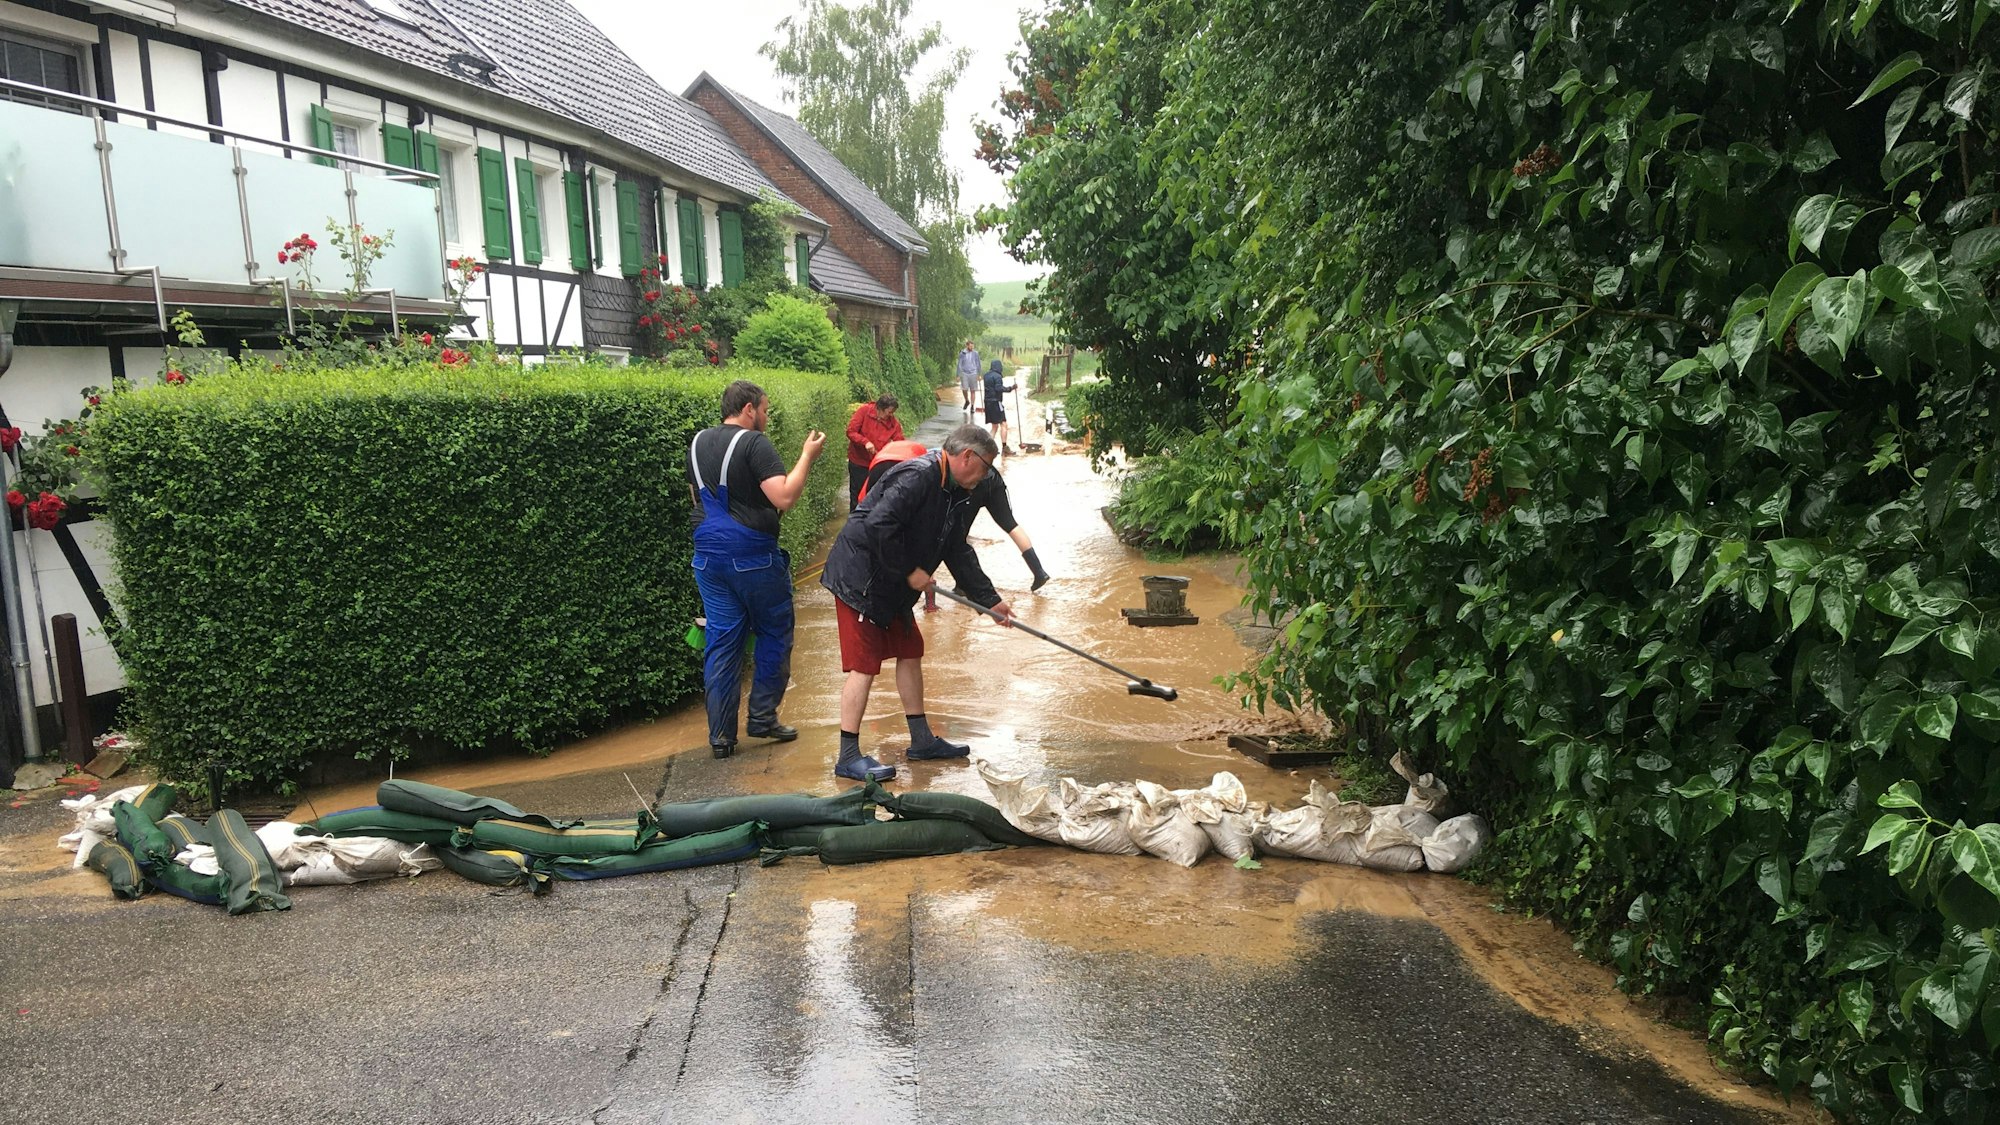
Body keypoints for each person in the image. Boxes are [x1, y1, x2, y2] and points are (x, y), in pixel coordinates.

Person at [820, 425, 1013, 782]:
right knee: (864, 665)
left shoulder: (955, 491)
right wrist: (910, 571)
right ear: (967, 456)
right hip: (861, 580)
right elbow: (878, 524)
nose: (986, 476)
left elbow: (957, 549)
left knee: (910, 650)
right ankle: (847, 756)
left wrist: (990, 601)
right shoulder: (918, 476)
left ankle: (922, 740)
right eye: (986, 466)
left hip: (889, 583)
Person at [686, 380, 826, 759]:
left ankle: (721, 738)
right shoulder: (754, 443)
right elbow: (784, 496)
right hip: (753, 557)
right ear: (749, 409)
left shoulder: (697, 443)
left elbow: (697, 498)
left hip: (707, 558)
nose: (766, 416)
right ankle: (762, 718)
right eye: (764, 409)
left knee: (722, 640)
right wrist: (807, 456)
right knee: (774, 632)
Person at [860, 440, 1051, 591]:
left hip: (972, 480)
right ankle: (1039, 571)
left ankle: (960, 586)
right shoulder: (930, 459)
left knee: (951, 533)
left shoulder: (913, 474)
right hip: (991, 477)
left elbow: (873, 520)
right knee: (1010, 525)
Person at [842, 393, 903, 510]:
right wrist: (865, 442)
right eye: (889, 412)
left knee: (875, 496)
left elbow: (900, 443)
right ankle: (855, 519)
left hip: (877, 465)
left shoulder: (893, 423)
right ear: (880, 408)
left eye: (893, 412)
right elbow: (851, 431)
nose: (891, 415)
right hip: (859, 462)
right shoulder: (864, 411)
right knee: (856, 496)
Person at [983, 359, 1016, 455]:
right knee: (1004, 424)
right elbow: (998, 388)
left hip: (987, 402)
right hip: (996, 402)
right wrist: (1010, 388)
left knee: (994, 426)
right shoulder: (997, 376)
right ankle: (1004, 448)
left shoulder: (986, 375)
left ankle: (988, 449)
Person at [956, 340, 981, 414]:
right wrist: (958, 375)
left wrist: (979, 374)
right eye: (970, 346)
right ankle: (967, 400)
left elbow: (978, 363)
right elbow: (959, 364)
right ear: (967, 346)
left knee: (973, 390)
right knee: (964, 389)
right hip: (964, 373)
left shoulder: (975, 353)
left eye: (973, 346)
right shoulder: (962, 353)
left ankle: (972, 406)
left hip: (973, 373)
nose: (972, 347)